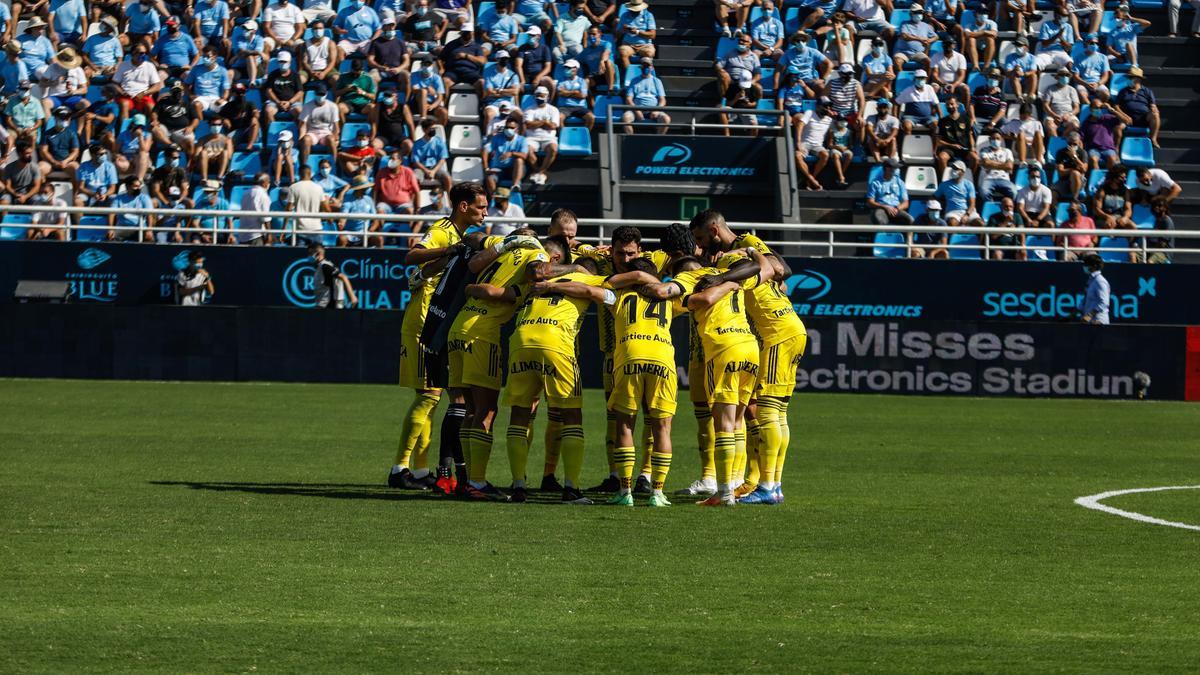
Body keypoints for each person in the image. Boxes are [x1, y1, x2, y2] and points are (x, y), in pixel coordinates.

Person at [394, 181, 483, 494]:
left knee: (432, 397)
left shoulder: (462, 237)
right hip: (424, 321)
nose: (485, 212)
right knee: (430, 395)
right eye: (480, 207)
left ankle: (419, 469)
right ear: (463, 207)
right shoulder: (444, 229)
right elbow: (411, 257)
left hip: (438, 320)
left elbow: (427, 270)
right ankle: (400, 467)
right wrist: (448, 251)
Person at [793, 97, 834, 190]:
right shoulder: (810, 112)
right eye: (825, 106)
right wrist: (798, 142)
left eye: (829, 106)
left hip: (818, 146)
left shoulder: (830, 120)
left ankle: (811, 179)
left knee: (825, 155)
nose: (828, 108)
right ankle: (812, 180)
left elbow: (832, 133)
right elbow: (800, 125)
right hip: (805, 143)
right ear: (818, 106)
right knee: (797, 156)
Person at [621, 56, 669, 134]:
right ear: (641, 67)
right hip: (637, 110)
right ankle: (630, 140)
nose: (645, 68)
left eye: (648, 65)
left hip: (653, 111)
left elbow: (662, 100)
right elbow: (628, 99)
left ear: (652, 67)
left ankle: (658, 141)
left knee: (666, 119)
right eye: (644, 66)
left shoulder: (657, 81)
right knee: (625, 118)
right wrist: (636, 110)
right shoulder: (634, 81)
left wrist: (657, 110)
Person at [1115, 67, 1161, 148]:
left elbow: (1153, 105)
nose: (1129, 79)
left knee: (1156, 115)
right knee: (1118, 128)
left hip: (1144, 119)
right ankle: (1116, 149)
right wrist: (1124, 116)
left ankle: (1153, 139)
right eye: (1129, 77)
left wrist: (1154, 109)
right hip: (1127, 120)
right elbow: (1116, 106)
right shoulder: (1123, 91)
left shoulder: (1147, 91)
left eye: (1131, 77)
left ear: (1138, 79)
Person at [522, 85, 559, 185]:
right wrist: (544, 122)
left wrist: (536, 123)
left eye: (542, 96)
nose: (539, 98)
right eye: (537, 95)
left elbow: (553, 126)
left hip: (549, 137)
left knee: (553, 149)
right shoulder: (529, 109)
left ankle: (539, 172)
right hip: (531, 138)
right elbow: (528, 125)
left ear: (547, 96)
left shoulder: (553, 110)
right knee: (527, 149)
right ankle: (539, 171)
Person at [1081, 92, 1127, 170]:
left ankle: (1109, 179)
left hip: (1108, 148)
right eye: (1096, 108)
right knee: (1093, 160)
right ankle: (1096, 178)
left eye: (1100, 108)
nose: (1098, 110)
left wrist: (1112, 110)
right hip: (1094, 149)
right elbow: (1081, 137)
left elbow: (1125, 121)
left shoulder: (1107, 118)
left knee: (1112, 159)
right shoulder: (1086, 122)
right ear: (1091, 109)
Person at [298, 81, 340, 165]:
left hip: (326, 133)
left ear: (326, 94)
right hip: (312, 133)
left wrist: (336, 138)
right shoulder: (307, 106)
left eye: (322, 94)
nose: (320, 96)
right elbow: (303, 124)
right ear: (314, 94)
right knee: (305, 140)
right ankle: (304, 166)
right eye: (318, 94)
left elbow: (336, 126)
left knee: (331, 140)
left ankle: (333, 165)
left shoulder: (333, 106)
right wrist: (301, 137)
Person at [483, 116, 528, 194]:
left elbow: (524, 155)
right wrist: (486, 167)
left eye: (511, 127)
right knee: (489, 179)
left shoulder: (522, 140)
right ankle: (495, 199)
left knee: (519, 160)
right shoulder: (496, 138)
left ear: (516, 129)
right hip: (498, 169)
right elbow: (485, 151)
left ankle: (515, 185)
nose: (508, 129)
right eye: (507, 127)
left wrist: (511, 153)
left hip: (514, 169)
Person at [308, 241, 359, 308]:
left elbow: (343, 277)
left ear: (317, 254)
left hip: (329, 305)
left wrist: (352, 297)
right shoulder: (320, 266)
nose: (309, 256)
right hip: (322, 304)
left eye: (310, 253)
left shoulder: (325, 266)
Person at [409, 117, 452, 193]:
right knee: (414, 178)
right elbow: (416, 162)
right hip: (421, 169)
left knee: (447, 178)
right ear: (424, 130)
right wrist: (426, 171)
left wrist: (433, 171)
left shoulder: (439, 141)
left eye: (434, 128)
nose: (433, 130)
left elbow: (443, 158)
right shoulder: (417, 144)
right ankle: (415, 202)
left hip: (435, 167)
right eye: (431, 129)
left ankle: (450, 202)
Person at [366, 11, 408, 88]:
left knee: (406, 75)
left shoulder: (400, 42)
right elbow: (370, 59)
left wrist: (399, 68)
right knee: (371, 77)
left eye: (392, 25)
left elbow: (407, 60)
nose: (391, 27)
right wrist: (380, 67)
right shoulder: (376, 42)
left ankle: (405, 100)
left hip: (397, 71)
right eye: (388, 25)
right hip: (380, 71)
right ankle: (372, 99)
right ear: (383, 27)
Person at [779, 31, 827, 98]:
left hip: (809, 80)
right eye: (798, 40)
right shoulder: (788, 53)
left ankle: (821, 106)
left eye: (803, 40)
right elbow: (778, 70)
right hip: (792, 80)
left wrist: (823, 79)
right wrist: (776, 87)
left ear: (806, 41)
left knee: (821, 86)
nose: (800, 42)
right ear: (794, 42)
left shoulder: (813, 52)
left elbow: (829, 64)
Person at [37, 106, 80, 180]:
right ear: (55, 118)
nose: (65, 120)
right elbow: (43, 151)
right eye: (62, 118)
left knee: (76, 169)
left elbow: (75, 152)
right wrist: (54, 162)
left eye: (66, 118)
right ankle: (45, 190)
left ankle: (76, 192)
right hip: (50, 164)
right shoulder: (47, 134)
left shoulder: (72, 133)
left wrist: (65, 161)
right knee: (39, 169)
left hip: (67, 163)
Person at [934, 96, 975, 175]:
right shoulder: (942, 121)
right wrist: (952, 145)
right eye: (948, 105)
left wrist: (973, 147)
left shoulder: (966, 119)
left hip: (964, 148)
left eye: (952, 104)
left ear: (957, 105)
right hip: (949, 149)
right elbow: (938, 141)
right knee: (942, 157)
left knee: (975, 158)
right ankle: (945, 179)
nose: (950, 106)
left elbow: (970, 135)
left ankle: (969, 178)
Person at [867, 158, 913, 227]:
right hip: (881, 209)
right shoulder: (875, 183)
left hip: (896, 209)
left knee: (910, 220)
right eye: (894, 168)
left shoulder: (900, 182)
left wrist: (897, 208)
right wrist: (885, 207)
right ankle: (882, 237)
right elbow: (870, 202)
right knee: (880, 220)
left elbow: (906, 203)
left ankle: (909, 238)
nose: (896, 169)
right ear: (887, 168)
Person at [107, 175, 155, 241]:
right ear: (127, 186)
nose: (138, 188)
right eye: (135, 186)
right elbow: (111, 214)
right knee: (110, 236)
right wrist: (111, 229)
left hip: (140, 228)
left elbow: (149, 214)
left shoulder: (145, 198)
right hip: (123, 228)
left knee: (149, 238)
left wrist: (149, 230)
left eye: (139, 186)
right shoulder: (118, 198)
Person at [376, 148, 421, 215]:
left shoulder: (408, 172)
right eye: (390, 159)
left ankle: (408, 226)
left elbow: (416, 191)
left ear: (400, 161)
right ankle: (380, 225)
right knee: (379, 210)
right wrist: (375, 204)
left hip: (403, 204)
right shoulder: (381, 172)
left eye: (393, 159)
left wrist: (417, 207)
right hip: (386, 204)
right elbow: (375, 190)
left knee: (409, 210)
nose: (390, 161)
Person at [337, 174, 379, 246]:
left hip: (366, 232)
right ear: (358, 189)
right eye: (364, 188)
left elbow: (376, 221)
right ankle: (338, 257)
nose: (367, 189)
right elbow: (343, 219)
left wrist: (370, 231)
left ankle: (378, 257)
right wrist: (341, 223)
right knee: (342, 239)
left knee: (379, 239)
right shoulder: (347, 202)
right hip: (349, 234)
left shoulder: (369, 200)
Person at [715, 31, 759, 100]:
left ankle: (758, 108)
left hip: (746, 81)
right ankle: (724, 101)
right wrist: (722, 71)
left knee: (759, 88)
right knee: (723, 76)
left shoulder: (754, 56)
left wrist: (751, 82)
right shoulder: (730, 53)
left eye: (744, 41)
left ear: (749, 45)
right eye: (740, 40)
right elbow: (718, 66)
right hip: (732, 80)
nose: (741, 42)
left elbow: (758, 74)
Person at [288, 164, 326, 243]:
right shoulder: (318, 188)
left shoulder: (293, 187)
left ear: (299, 174)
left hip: (300, 229)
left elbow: (288, 209)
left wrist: (283, 228)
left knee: (300, 255)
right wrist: (330, 219)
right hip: (316, 227)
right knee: (318, 253)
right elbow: (326, 207)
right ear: (310, 173)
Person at [934, 158, 977, 227]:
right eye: (953, 168)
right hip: (952, 212)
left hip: (968, 212)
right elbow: (934, 197)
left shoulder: (969, 184)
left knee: (980, 223)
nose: (953, 170)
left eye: (956, 168)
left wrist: (967, 215)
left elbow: (972, 204)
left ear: (962, 172)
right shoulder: (944, 185)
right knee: (952, 223)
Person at [892, 3, 936, 70]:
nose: (918, 14)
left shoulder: (926, 26)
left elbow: (936, 37)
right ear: (911, 14)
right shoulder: (904, 24)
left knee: (929, 62)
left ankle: (926, 80)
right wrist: (919, 39)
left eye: (920, 12)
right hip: (903, 52)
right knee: (897, 61)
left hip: (918, 53)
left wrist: (929, 40)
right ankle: (900, 78)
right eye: (916, 12)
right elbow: (904, 36)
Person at [264, 51, 303, 126]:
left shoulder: (295, 75)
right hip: (275, 102)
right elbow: (269, 90)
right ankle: (274, 129)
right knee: (268, 111)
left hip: (292, 103)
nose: (282, 63)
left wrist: (289, 102)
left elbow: (300, 92)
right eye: (281, 61)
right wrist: (278, 102)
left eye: (284, 61)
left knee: (300, 112)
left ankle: (293, 129)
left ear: (289, 62)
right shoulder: (273, 75)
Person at [74, 142, 118, 207]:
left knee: (115, 199)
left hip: (105, 194)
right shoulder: (83, 166)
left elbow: (112, 188)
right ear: (92, 155)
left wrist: (105, 195)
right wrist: (93, 194)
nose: (104, 156)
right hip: (88, 194)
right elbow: (81, 187)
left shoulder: (110, 166)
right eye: (101, 154)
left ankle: (110, 217)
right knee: (77, 201)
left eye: (105, 153)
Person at [1, 140, 42, 209]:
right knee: (3, 201)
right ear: (20, 154)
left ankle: (35, 219)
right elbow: (8, 186)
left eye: (31, 153)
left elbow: (37, 187)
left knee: (38, 201)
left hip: (29, 195)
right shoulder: (9, 167)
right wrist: (16, 195)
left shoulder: (35, 167)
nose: (30, 155)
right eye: (27, 153)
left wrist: (25, 196)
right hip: (12, 194)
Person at [896, 68, 939, 134]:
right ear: (914, 79)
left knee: (935, 126)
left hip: (927, 117)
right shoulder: (908, 90)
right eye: (919, 78)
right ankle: (909, 143)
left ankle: (933, 144)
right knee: (907, 126)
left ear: (926, 79)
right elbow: (896, 102)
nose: (921, 80)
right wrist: (896, 118)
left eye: (923, 78)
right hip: (910, 117)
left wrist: (941, 118)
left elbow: (936, 104)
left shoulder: (929, 88)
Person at [615, 0, 655, 69]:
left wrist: (637, 32)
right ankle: (629, 74)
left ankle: (646, 74)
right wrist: (623, 30)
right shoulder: (624, 15)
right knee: (622, 52)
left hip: (645, 45)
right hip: (628, 45)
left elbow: (652, 35)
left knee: (649, 53)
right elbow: (617, 35)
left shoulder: (648, 15)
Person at [977, 126, 1015, 200]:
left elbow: (1010, 166)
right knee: (983, 192)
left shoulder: (1007, 151)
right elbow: (986, 162)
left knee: (1014, 192)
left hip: (1004, 179)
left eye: (998, 138)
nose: (995, 140)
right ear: (990, 139)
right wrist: (1003, 165)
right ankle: (990, 207)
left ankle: (1006, 205)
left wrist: (991, 164)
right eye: (993, 138)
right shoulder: (984, 150)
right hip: (988, 179)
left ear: (1001, 140)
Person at [1043, 67, 1081, 139]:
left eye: (1067, 75)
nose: (1065, 77)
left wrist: (1069, 114)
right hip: (1052, 115)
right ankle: (1054, 144)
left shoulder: (1072, 90)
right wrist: (1054, 115)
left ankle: (1062, 139)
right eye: (1062, 75)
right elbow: (1045, 105)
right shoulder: (1050, 89)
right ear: (1057, 77)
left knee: (1075, 125)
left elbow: (1077, 108)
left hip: (1069, 115)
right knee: (1051, 127)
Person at [515, 25, 554, 95]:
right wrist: (522, 80)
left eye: (533, 35)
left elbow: (548, 67)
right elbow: (518, 66)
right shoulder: (522, 48)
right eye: (529, 35)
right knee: (516, 87)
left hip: (540, 74)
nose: (531, 37)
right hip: (526, 75)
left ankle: (548, 103)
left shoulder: (545, 48)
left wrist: (538, 77)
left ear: (538, 36)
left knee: (550, 82)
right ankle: (518, 105)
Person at [555, 58, 593, 130]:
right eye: (566, 67)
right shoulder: (561, 79)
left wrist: (566, 92)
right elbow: (560, 93)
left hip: (580, 107)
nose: (566, 69)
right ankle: (563, 137)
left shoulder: (581, 81)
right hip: (564, 107)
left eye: (569, 67)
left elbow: (583, 95)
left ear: (576, 69)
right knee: (559, 118)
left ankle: (583, 136)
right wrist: (574, 92)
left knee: (591, 118)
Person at [985, 196, 1025, 260]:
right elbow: (993, 236)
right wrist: (1006, 222)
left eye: (1010, 206)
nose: (1008, 209)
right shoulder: (993, 217)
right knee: (997, 254)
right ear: (1001, 207)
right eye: (1006, 206)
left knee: (1022, 253)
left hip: (1014, 247)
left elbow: (1022, 233)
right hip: (999, 247)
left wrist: (1023, 246)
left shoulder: (1017, 216)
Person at [1015, 162, 1053, 229]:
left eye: (1037, 177)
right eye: (1033, 176)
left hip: (1042, 214)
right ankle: (1022, 240)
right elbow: (1020, 208)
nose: (1035, 179)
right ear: (1028, 178)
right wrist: (1027, 219)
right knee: (1019, 226)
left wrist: (1038, 219)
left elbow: (1046, 208)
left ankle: (1051, 240)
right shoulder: (1022, 191)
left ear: (1040, 178)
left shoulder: (1046, 190)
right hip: (1027, 214)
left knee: (1050, 224)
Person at [1072, 35, 1109, 103]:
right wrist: (1086, 84)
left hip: (1097, 83)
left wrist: (1098, 84)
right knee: (1082, 95)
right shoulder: (1078, 58)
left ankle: (1099, 109)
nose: (1094, 45)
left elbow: (1105, 75)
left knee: (1106, 94)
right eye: (1092, 43)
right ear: (1086, 44)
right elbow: (1075, 76)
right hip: (1083, 83)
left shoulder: (1103, 57)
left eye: (1096, 43)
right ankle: (1090, 110)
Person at [239, 172, 274, 245]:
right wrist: (269, 234)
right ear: (264, 183)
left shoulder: (246, 193)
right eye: (269, 181)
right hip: (256, 235)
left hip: (243, 234)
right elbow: (265, 217)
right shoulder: (263, 195)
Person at [578, 25, 615, 92]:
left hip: (608, 74)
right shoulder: (585, 51)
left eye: (594, 34)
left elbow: (606, 53)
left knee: (608, 62)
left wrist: (602, 61)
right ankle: (588, 101)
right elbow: (578, 61)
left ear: (600, 34)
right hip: (595, 76)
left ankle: (610, 89)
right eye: (590, 34)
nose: (591, 36)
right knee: (586, 81)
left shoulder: (606, 44)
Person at [969, 67, 1005, 134]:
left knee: (1004, 122)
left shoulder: (1001, 94)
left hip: (993, 119)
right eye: (992, 76)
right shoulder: (979, 90)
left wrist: (993, 122)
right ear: (988, 77)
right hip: (979, 118)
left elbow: (1002, 110)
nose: (993, 79)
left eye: (996, 77)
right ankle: (977, 143)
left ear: (999, 79)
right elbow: (971, 105)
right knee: (972, 125)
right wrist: (972, 117)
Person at [1054, 130, 1088, 200]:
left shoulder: (1082, 153)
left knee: (1075, 174)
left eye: (1074, 144)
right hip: (1064, 180)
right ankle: (1057, 210)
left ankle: (1074, 199)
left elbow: (1084, 169)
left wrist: (1074, 157)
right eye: (1070, 143)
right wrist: (1074, 169)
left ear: (1079, 143)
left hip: (1079, 180)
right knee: (1052, 194)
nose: (1072, 146)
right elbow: (1061, 172)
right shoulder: (1061, 153)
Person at [1002, 35, 1037, 100]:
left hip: (1026, 81)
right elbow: (1007, 73)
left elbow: (1033, 71)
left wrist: (1023, 74)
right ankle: (1019, 97)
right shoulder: (1009, 57)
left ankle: (1030, 96)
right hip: (1014, 82)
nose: (1017, 47)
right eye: (1016, 45)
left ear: (1026, 47)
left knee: (1034, 76)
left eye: (1020, 45)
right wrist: (1014, 70)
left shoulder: (1032, 58)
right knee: (1014, 76)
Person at [962, 5, 996, 71]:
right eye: (981, 12)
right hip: (973, 51)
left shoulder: (991, 23)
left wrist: (982, 32)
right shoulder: (969, 25)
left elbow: (994, 34)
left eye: (985, 13)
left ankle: (986, 67)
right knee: (971, 40)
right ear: (975, 14)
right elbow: (967, 34)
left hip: (986, 50)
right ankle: (975, 66)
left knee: (990, 39)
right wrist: (983, 33)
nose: (984, 15)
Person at [1079, 254, 1109, 325]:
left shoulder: (1100, 281)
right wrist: (1072, 315)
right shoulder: (1091, 280)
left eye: (1086, 264)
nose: (1084, 266)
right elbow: (1085, 300)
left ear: (1094, 266)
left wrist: (1090, 315)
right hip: (1090, 322)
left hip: (1099, 322)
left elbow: (1104, 302)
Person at [1145, 197, 1174, 264]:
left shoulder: (1167, 221)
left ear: (1165, 208)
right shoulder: (1156, 220)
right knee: (1133, 254)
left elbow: (1163, 243)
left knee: (1150, 261)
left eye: (1159, 206)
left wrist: (1150, 250)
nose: (1157, 207)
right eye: (1155, 206)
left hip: (1163, 253)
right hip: (1152, 250)